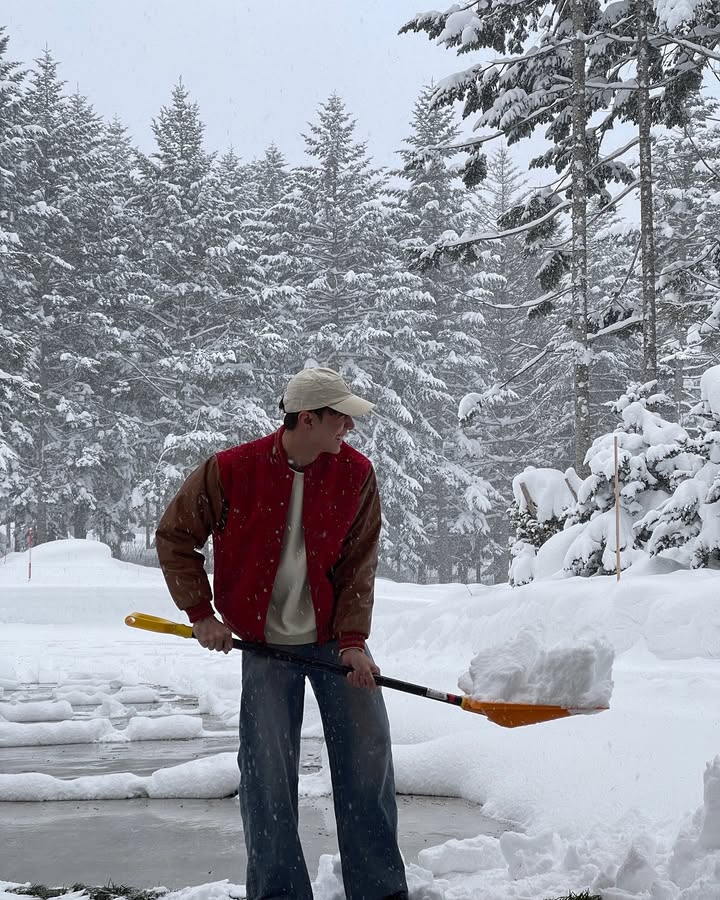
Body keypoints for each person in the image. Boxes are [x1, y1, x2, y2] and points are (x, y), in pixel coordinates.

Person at [155, 367, 409, 900]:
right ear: (307, 419)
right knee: (268, 778)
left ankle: (380, 891)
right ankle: (278, 893)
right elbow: (176, 536)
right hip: (263, 646)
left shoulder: (355, 474)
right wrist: (201, 613)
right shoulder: (231, 470)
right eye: (340, 418)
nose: (350, 429)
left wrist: (354, 641)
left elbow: (358, 566)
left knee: (368, 763)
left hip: (334, 642)